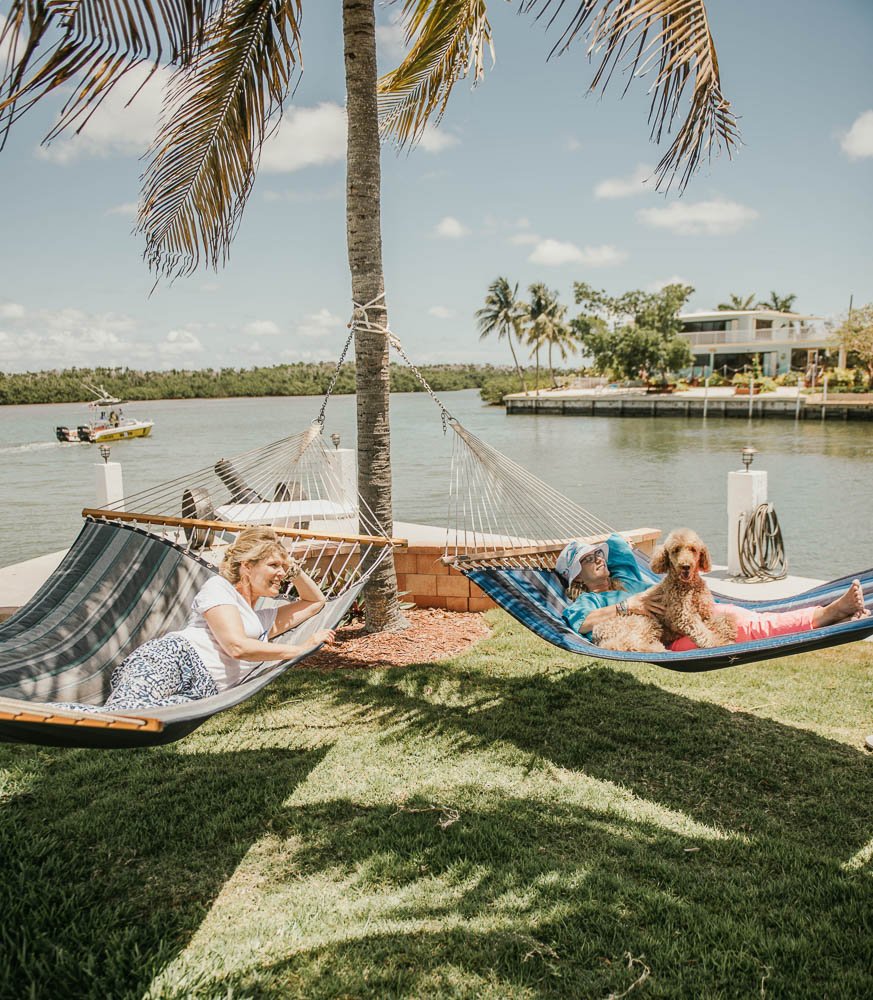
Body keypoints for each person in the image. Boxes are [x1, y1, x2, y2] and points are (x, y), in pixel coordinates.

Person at [99, 526, 334, 711]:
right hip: (175, 660)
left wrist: (290, 567)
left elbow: (314, 602)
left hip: (203, 691)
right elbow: (236, 646)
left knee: (146, 717)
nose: (282, 573)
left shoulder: (261, 622)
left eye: (283, 568)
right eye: (273, 565)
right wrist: (301, 649)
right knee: (125, 711)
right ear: (247, 567)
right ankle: (61, 716)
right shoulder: (219, 588)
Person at [558, 533, 868, 649]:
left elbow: (615, 542)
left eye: (598, 555)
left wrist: (601, 548)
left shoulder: (625, 577)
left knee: (750, 617)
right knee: (743, 623)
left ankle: (828, 619)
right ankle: (829, 614)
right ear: (576, 577)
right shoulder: (588, 598)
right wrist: (630, 605)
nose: (599, 558)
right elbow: (580, 623)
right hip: (674, 638)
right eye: (587, 559)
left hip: (696, 614)